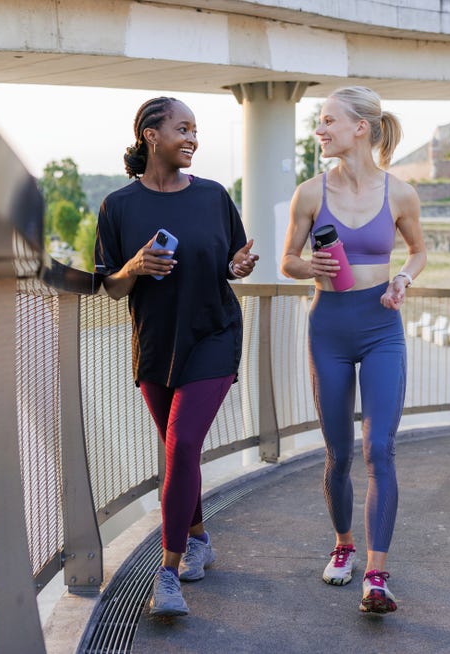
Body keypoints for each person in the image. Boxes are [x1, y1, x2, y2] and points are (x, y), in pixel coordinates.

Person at [94, 96, 259, 618]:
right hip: (155, 346)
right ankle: (200, 537)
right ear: (150, 135)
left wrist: (240, 265)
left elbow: (232, 262)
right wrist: (135, 266)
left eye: (195, 130)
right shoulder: (118, 206)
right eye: (182, 128)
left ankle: (167, 574)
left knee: (183, 444)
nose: (192, 138)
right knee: (178, 453)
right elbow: (112, 289)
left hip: (213, 335)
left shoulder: (213, 196)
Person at [280, 86, 427, 614]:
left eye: (327, 121)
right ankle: (343, 545)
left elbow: (419, 251)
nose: (319, 130)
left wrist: (404, 280)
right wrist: (309, 267)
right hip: (330, 327)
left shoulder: (401, 194)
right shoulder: (310, 193)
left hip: (381, 324)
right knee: (339, 453)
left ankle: (378, 574)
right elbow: (287, 262)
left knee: (379, 449)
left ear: (360, 127)